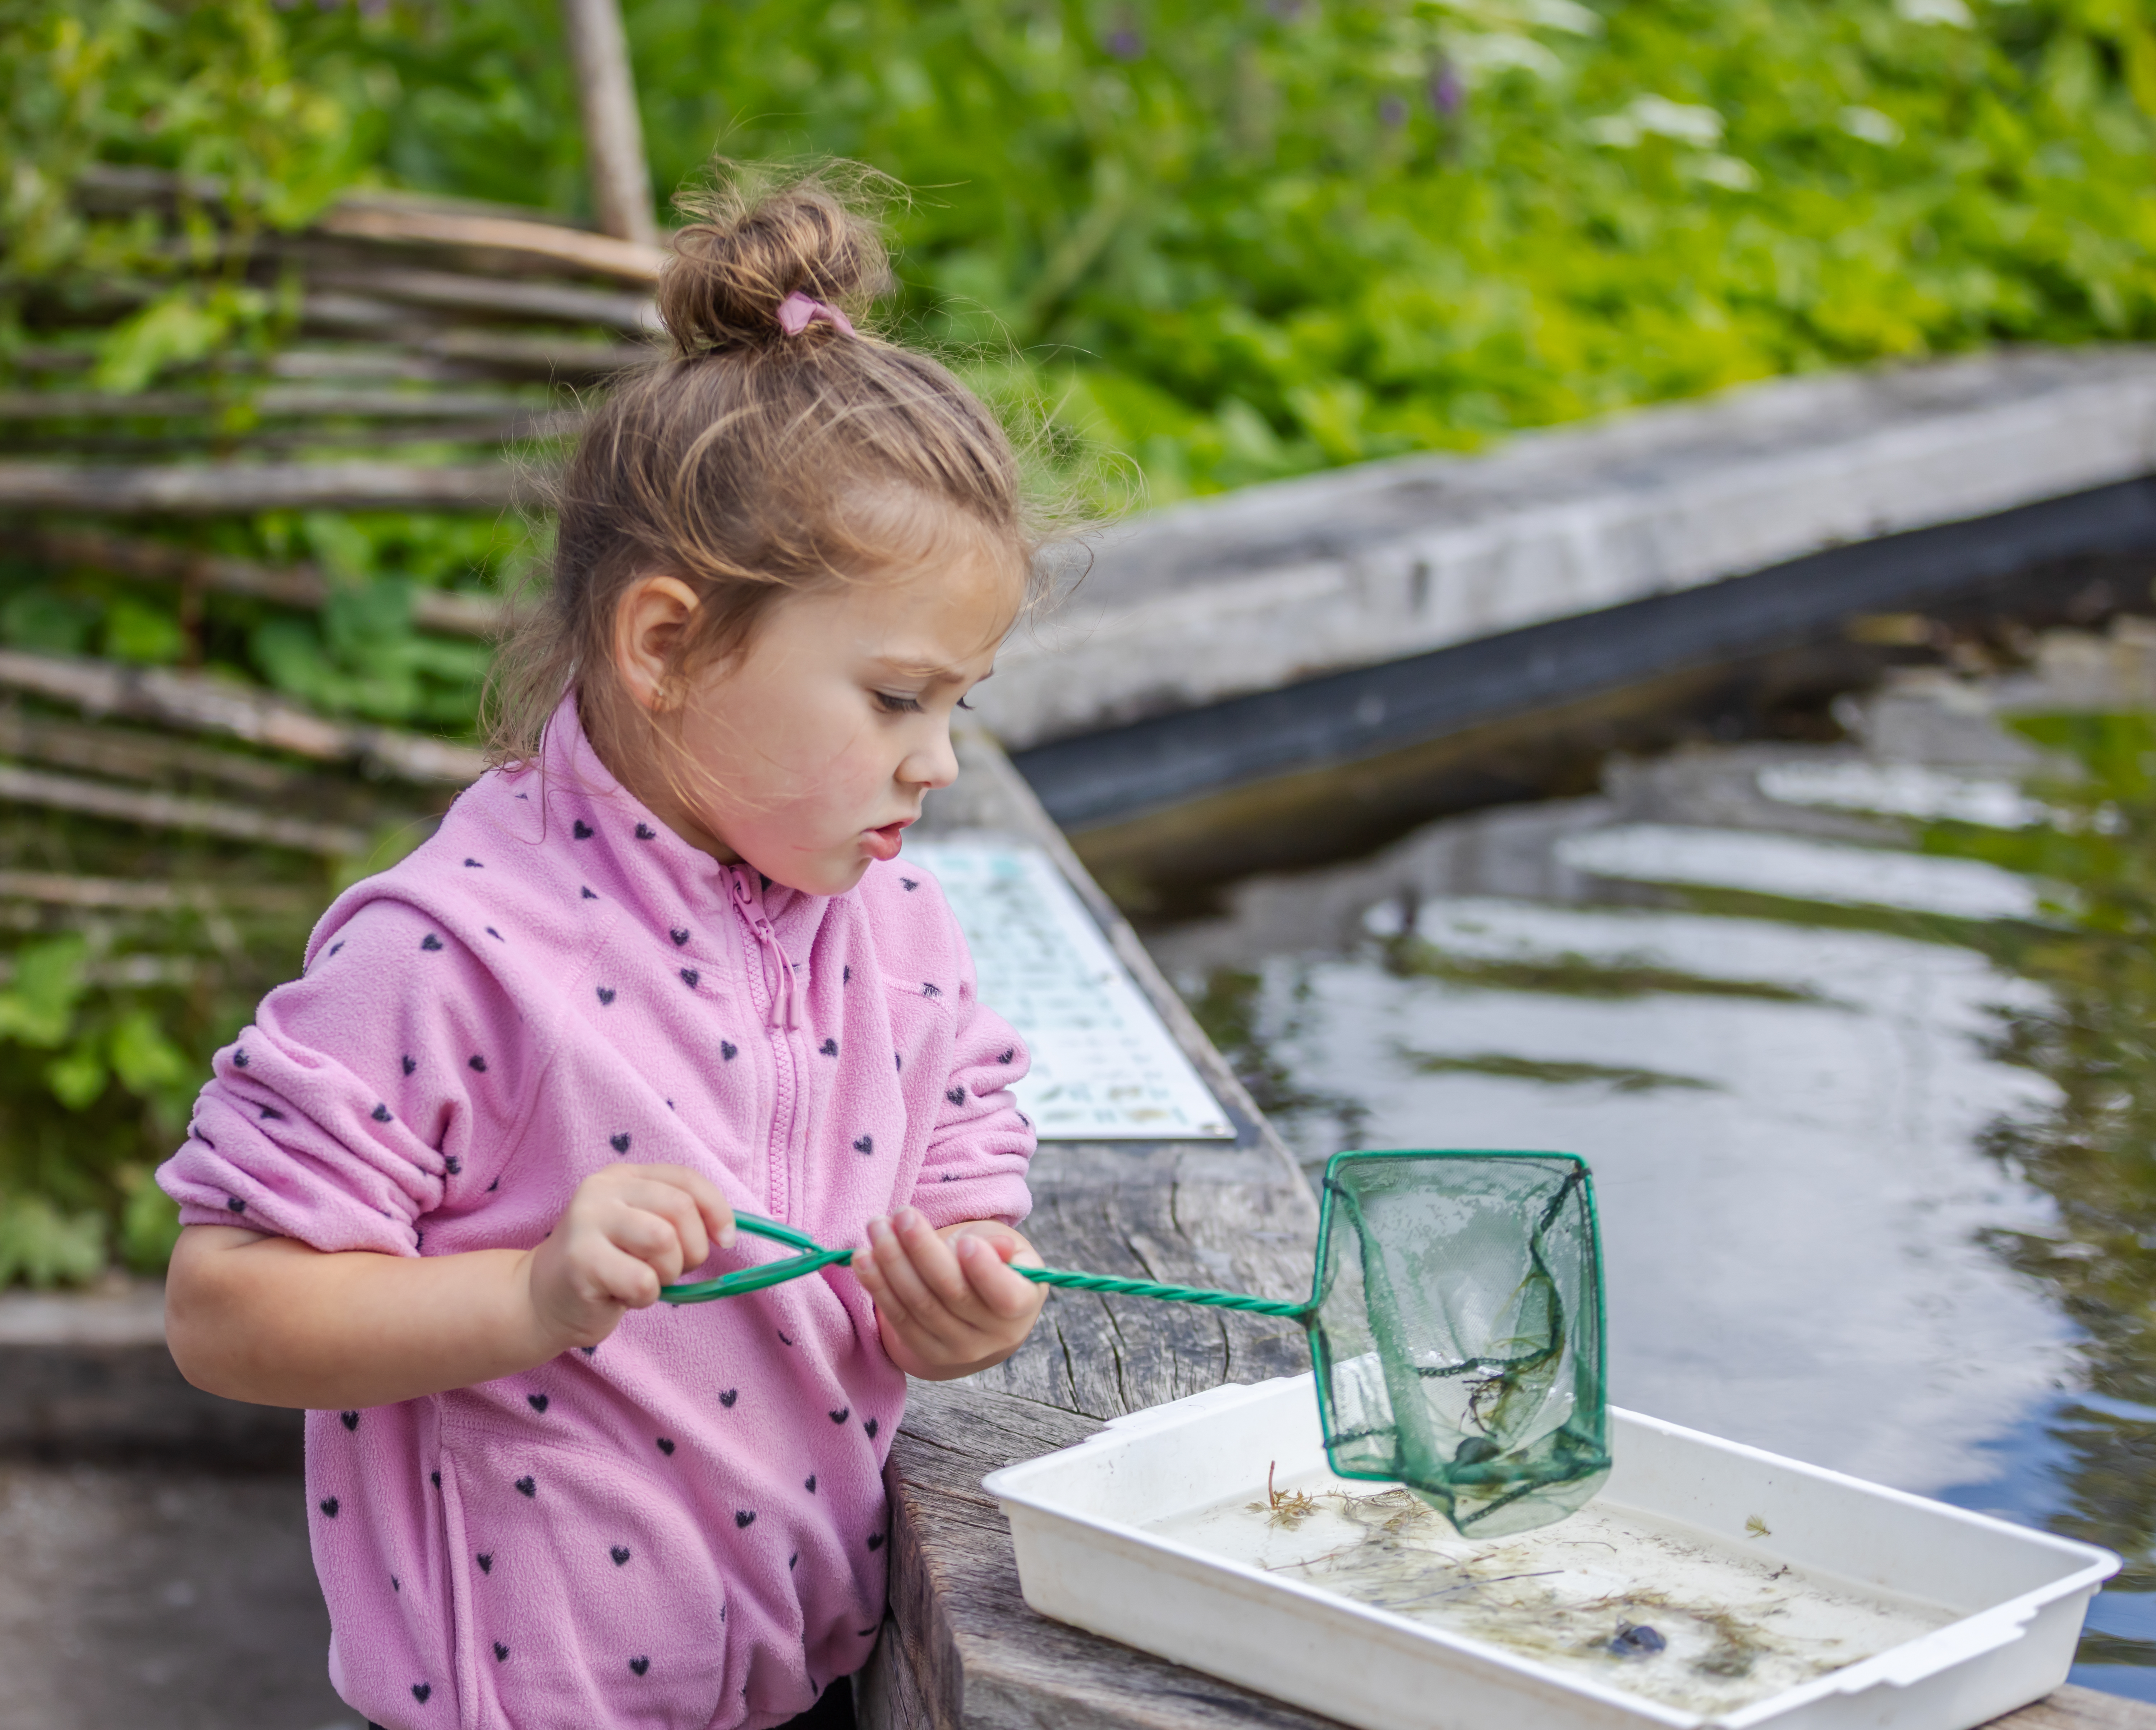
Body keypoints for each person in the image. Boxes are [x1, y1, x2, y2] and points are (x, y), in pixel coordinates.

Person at [157, 165, 1051, 1730]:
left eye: (958, 704)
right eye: (897, 699)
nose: (940, 762)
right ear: (662, 645)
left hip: (813, 1679)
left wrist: (973, 1279)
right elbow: (223, 1308)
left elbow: (966, 1120)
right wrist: (529, 1297)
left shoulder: (894, 921)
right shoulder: (451, 956)